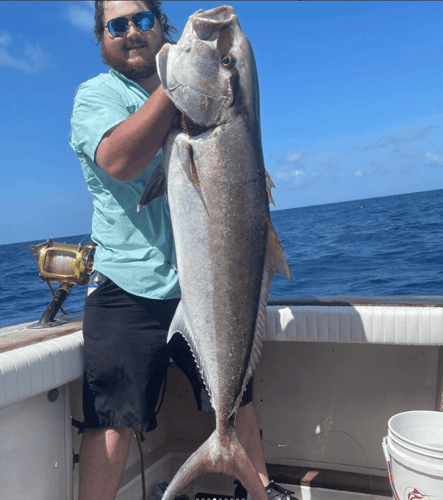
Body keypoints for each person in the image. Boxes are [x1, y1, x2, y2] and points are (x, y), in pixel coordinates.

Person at [70, 2, 296, 500]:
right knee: (111, 418)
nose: (131, 32)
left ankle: (257, 487)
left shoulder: (200, 109)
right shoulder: (97, 95)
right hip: (127, 285)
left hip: (202, 283)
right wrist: (181, 93)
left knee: (239, 402)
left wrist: (199, 80)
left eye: (142, 20)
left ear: (160, 28)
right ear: (102, 36)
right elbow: (120, 160)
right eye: (117, 24)